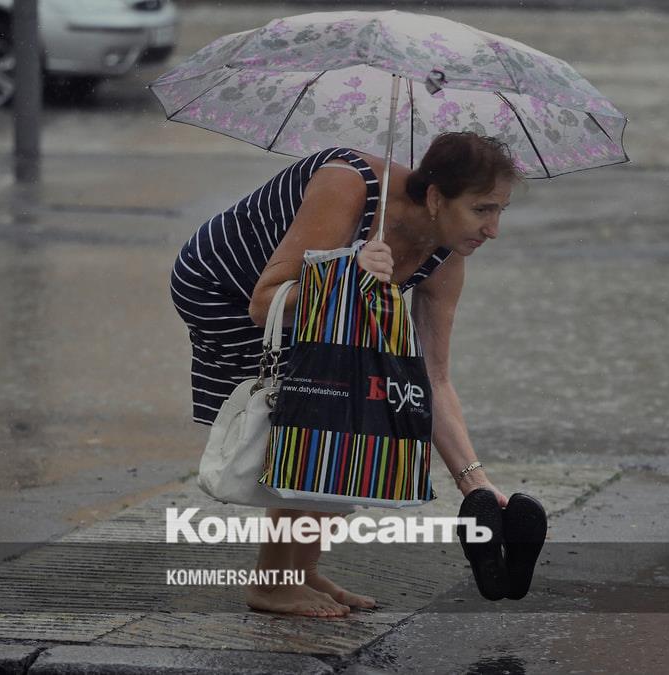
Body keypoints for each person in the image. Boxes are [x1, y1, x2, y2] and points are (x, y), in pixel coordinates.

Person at [170, 132, 520, 617]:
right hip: (225, 288)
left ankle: (302, 569)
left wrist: (474, 483)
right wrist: (349, 274)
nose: (493, 229)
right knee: (321, 404)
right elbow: (265, 303)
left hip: (318, 302)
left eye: (501, 210)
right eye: (482, 209)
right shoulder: (347, 186)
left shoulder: (446, 252)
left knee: (362, 404)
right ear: (436, 198)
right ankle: (272, 584)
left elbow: (432, 378)